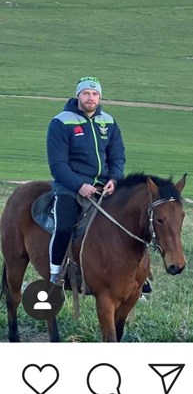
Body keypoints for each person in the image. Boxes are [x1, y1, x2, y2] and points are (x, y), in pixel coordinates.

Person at [46, 77, 125, 283]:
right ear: (78, 95)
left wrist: (114, 179)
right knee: (63, 226)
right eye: (86, 93)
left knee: (129, 222)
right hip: (70, 188)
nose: (91, 98)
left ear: (100, 97)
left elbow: (118, 157)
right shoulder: (61, 122)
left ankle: (134, 277)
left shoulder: (109, 122)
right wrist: (79, 185)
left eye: (95, 94)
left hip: (104, 188)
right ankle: (55, 275)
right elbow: (57, 165)